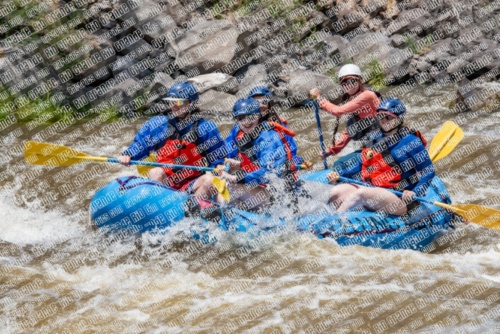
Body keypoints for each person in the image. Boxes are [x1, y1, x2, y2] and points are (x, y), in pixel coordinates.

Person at [118, 81, 227, 202]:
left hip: (193, 183)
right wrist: (128, 154)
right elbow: (141, 144)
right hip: (167, 181)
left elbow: (218, 157)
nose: (174, 105)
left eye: (179, 101)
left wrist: (219, 166)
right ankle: (159, 205)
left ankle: (194, 208)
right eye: (171, 101)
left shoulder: (205, 127)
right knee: (155, 172)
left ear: (191, 104)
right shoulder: (159, 124)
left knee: (209, 179)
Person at [325, 98, 432, 216]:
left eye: (389, 117)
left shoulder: (411, 141)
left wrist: (415, 192)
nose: (384, 120)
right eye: (381, 116)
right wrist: (339, 175)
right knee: (336, 192)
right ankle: (348, 218)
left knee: (361, 194)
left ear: (399, 118)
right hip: (372, 189)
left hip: (399, 197)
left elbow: (428, 170)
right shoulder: (374, 138)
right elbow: (362, 164)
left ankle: (334, 221)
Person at [216, 98, 307, 211]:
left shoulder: (267, 137)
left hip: (282, 195)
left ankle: (229, 218)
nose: (246, 122)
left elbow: (269, 172)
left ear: (258, 116)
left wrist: (236, 177)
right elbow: (257, 165)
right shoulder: (252, 135)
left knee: (233, 187)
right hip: (269, 190)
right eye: (241, 118)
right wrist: (239, 165)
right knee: (223, 182)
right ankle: (229, 211)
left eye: (251, 117)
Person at [309, 64, 381, 175]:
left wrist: (319, 99)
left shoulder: (367, 95)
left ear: (360, 81)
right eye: (345, 83)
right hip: (371, 147)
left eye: (353, 81)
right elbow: (349, 131)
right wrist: (332, 150)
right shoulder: (352, 101)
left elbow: (337, 111)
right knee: (342, 166)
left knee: (339, 165)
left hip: (382, 147)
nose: (349, 85)